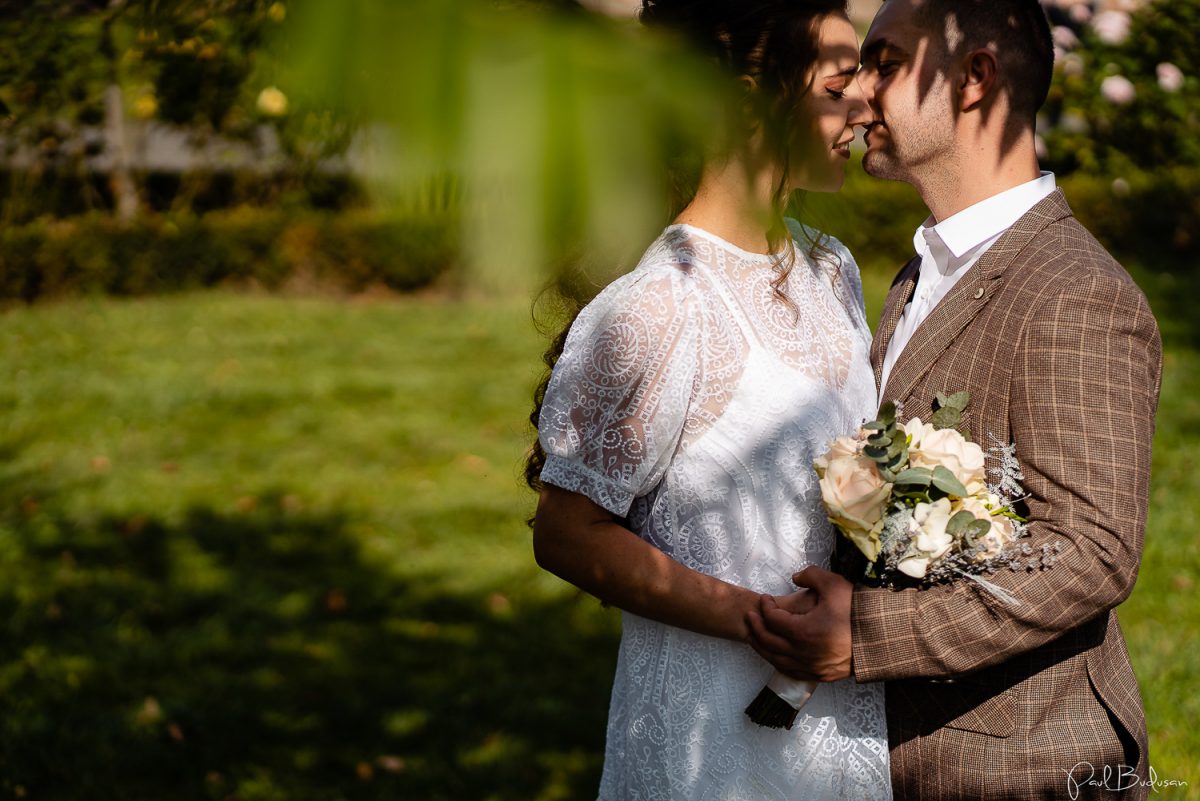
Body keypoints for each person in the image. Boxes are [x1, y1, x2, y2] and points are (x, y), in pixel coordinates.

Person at [746, 1, 1162, 798]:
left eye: (886, 63)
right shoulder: (916, 274)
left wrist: (866, 636)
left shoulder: (1077, 293)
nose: (858, 91)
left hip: (1018, 759)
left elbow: (1091, 553)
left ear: (974, 78)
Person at [527, 1, 892, 797]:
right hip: (710, 731)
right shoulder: (658, 304)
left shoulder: (833, 268)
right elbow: (567, 532)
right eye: (840, 82)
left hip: (842, 714)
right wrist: (763, 622)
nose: (867, 103)